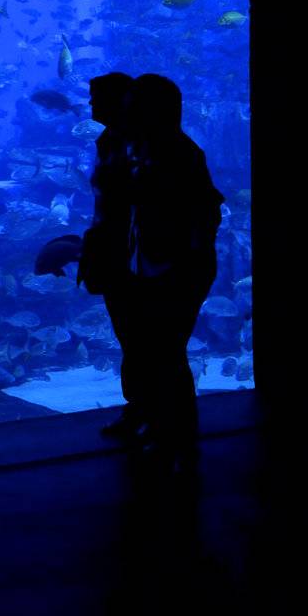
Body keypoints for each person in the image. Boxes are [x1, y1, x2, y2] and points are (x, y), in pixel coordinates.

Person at [120, 74, 224, 476]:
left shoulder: (179, 153)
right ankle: (165, 431)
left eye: (134, 104)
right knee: (157, 355)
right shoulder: (146, 149)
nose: (126, 112)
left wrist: (181, 262)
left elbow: (207, 210)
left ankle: (178, 441)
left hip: (177, 272)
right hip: (156, 269)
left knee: (168, 356)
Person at [76, 74, 142, 440]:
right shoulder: (107, 140)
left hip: (138, 259)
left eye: (97, 98)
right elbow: (106, 204)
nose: (91, 105)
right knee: (129, 339)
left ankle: (165, 425)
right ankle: (138, 410)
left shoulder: (141, 143)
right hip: (113, 252)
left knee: (148, 342)